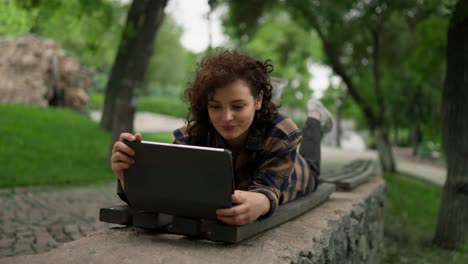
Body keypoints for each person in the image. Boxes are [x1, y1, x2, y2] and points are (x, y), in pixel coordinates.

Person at [110, 51, 333, 226]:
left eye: (238, 106)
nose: (226, 117)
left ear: (258, 101)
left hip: (297, 175)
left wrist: (263, 201)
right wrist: (130, 180)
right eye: (215, 106)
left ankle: (314, 115)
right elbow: (172, 194)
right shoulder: (189, 137)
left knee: (312, 165)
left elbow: (268, 190)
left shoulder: (282, 133)